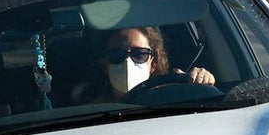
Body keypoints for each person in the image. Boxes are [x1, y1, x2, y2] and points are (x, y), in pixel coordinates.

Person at [72, 26, 215, 104]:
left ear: (153, 63)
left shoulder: (172, 99)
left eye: (139, 54)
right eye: (117, 55)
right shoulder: (91, 110)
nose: (128, 61)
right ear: (104, 66)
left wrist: (199, 85)